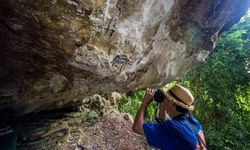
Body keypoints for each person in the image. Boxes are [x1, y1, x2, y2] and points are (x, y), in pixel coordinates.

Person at [132, 84, 206, 150]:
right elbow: (163, 119)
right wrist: (163, 104)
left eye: (167, 97)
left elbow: (137, 128)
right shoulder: (194, 122)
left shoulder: (172, 128)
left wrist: (145, 102)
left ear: (171, 103)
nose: (164, 99)